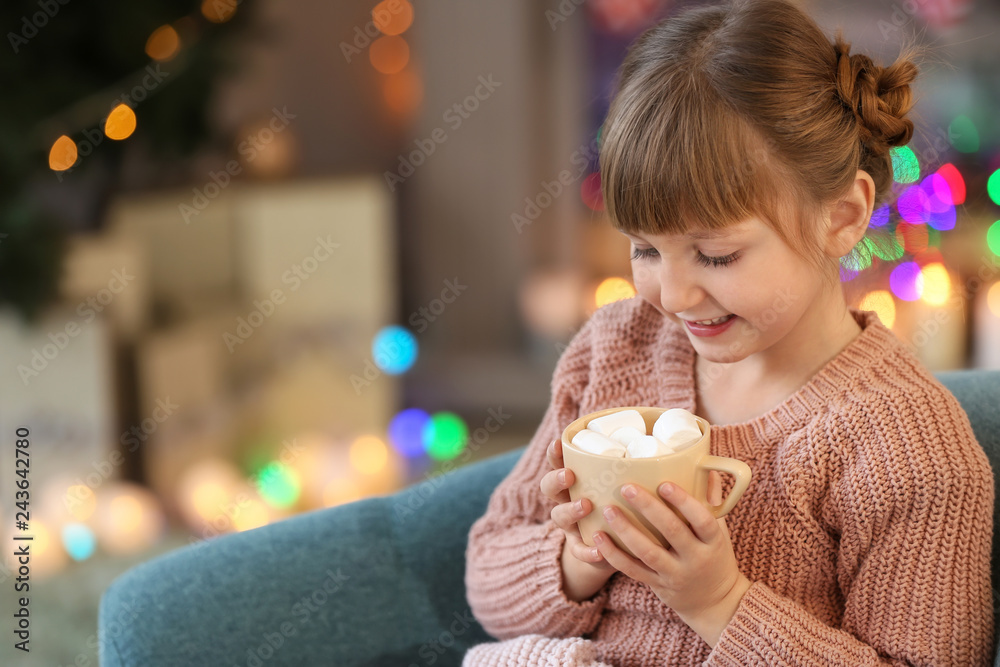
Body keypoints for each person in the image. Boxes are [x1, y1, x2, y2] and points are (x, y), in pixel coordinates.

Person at [461, 0, 995, 665]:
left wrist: (718, 601)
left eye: (717, 255)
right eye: (646, 250)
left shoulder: (905, 447)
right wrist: (581, 553)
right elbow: (488, 578)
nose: (674, 296)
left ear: (843, 215)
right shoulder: (616, 349)